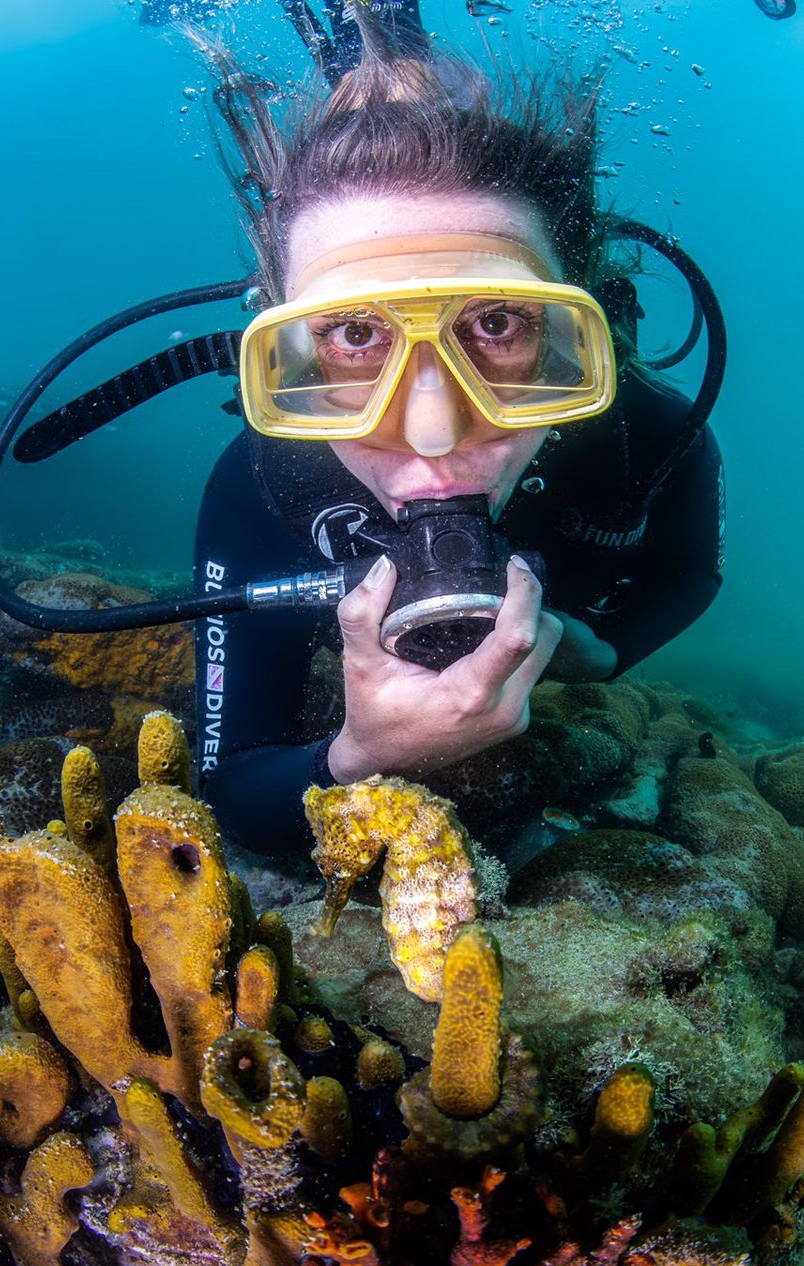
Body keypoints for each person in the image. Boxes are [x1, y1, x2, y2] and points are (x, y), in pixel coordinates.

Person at [194, 11, 725, 854]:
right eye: (356, 336)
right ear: (286, 346)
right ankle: (366, 40)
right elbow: (233, 789)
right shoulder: (265, 483)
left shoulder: (651, 439)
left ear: (580, 327)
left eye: (501, 324)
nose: (434, 433)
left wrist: (603, 653)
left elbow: (690, 577)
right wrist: (361, 753)